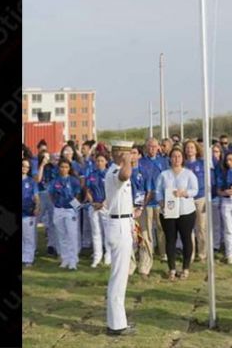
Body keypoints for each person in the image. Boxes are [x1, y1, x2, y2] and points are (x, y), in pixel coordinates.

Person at [105, 141, 137, 336]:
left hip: (123, 222)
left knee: (120, 276)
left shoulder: (116, 170)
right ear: (119, 154)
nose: (132, 156)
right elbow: (125, 175)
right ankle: (116, 325)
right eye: (128, 153)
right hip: (118, 226)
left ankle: (118, 321)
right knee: (119, 277)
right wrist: (126, 162)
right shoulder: (116, 171)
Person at [156, 147, 199, 280]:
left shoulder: (189, 174)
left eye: (179, 156)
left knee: (186, 239)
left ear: (182, 158)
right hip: (168, 212)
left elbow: (195, 190)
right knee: (170, 240)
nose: (176, 159)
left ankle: (185, 268)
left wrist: (184, 193)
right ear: (170, 158)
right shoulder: (164, 174)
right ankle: (172, 269)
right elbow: (158, 191)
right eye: (174, 156)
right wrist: (161, 202)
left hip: (186, 212)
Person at [50, 160, 83, 269]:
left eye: (66, 167)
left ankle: (73, 260)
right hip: (59, 209)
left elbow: (78, 195)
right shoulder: (55, 181)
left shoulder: (74, 181)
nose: (64, 169)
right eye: (62, 167)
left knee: (72, 235)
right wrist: (56, 204)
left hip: (70, 210)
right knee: (61, 235)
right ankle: (65, 259)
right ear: (59, 168)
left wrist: (74, 207)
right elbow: (51, 194)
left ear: (69, 168)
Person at [129, 146, 155, 277]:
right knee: (129, 238)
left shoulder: (144, 171)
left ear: (139, 155)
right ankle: (130, 265)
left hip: (141, 208)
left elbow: (148, 191)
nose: (131, 156)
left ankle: (145, 266)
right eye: (129, 153)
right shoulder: (123, 171)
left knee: (144, 236)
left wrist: (140, 207)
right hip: (127, 208)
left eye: (134, 153)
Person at [142, 138, 169, 261]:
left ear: (158, 147)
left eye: (154, 146)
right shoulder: (142, 162)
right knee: (147, 229)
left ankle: (163, 253)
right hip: (147, 201)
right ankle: (149, 253)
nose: (152, 149)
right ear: (146, 147)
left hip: (159, 200)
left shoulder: (163, 161)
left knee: (161, 227)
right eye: (150, 146)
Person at [183, 140, 209, 261]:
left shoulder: (202, 163)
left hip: (200, 198)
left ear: (196, 149)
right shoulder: (183, 165)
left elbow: (208, 180)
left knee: (201, 227)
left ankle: (202, 253)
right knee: (189, 229)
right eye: (187, 147)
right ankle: (190, 254)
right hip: (187, 199)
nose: (189, 150)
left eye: (192, 147)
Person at [85, 153, 111, 267]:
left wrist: (103, 203)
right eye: (97, 161)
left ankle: (108, 255)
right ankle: (97, 256)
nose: (99, 163)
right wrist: (92, 202)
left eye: (102, 160)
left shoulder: (109, 174)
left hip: (106, 206)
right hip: (94, 206)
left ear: (106, 162)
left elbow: (111, 192)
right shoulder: (92, 175)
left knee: (107, 232)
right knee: (96, 232)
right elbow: (88, 190)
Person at [35, 145, 58, 257]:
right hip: (40, 195)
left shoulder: (53, 167)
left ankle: (51, 246)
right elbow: (38, 179)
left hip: (52, 195)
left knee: (53, 221)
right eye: (45, 157)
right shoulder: (37, 167)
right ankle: (32, 246)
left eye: (48, 157)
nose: (47, 159)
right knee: (35, 221)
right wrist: (42, 165)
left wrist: (53, 163)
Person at [22, 159, 40, 267]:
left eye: (27, 167)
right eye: (23, 165)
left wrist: (37, 207)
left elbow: (36, 196)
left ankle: (28, 259)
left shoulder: (31, 182)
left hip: (28, 213)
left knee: (28, 237)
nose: (25, 168)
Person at [209, 143, 224, 254]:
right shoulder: (209, 165)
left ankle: (218, 243)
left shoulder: (223, 165)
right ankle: (214, 244)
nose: (215, 154)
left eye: (217, 152)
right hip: (211, 196)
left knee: (219, 223)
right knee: (213, 223)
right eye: (213, 152)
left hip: (220, 196)